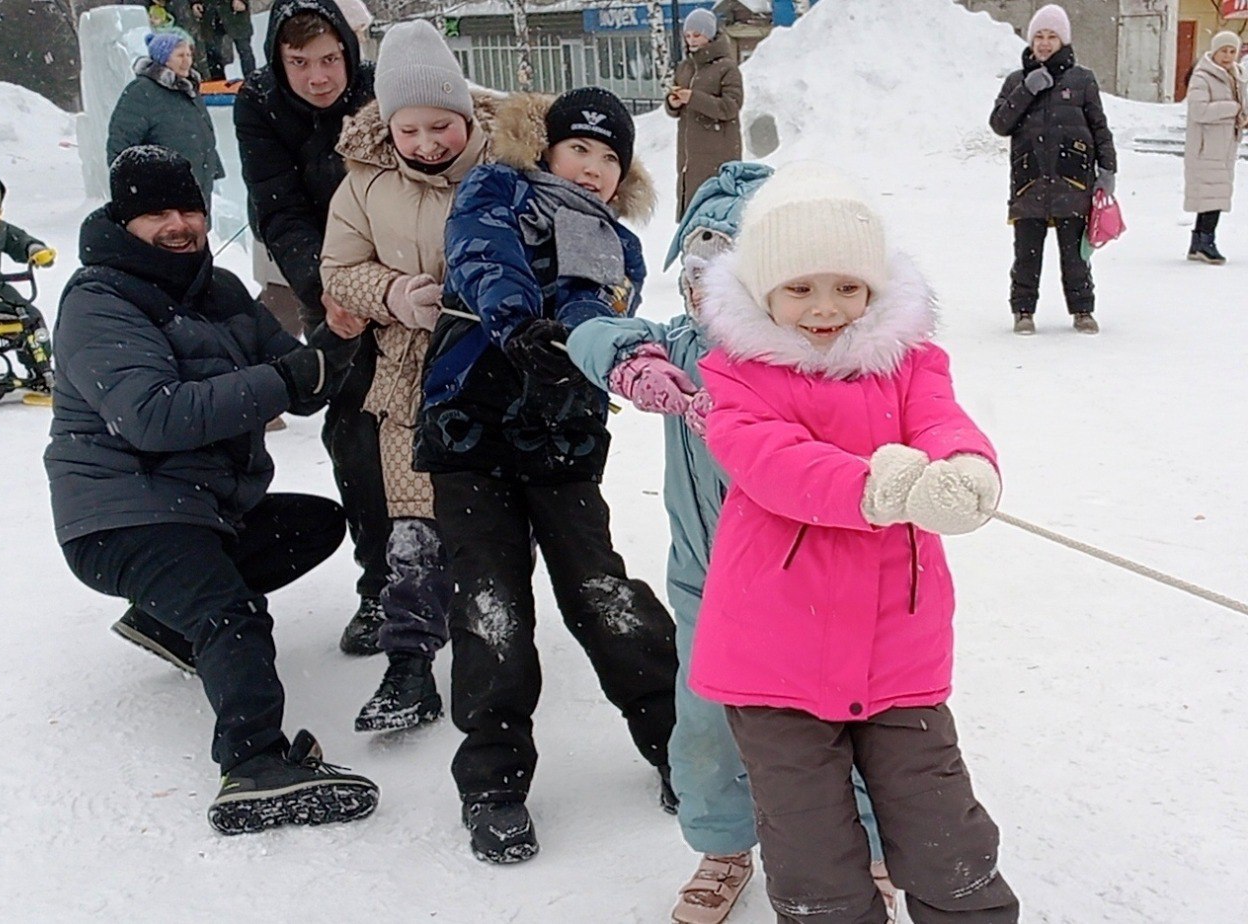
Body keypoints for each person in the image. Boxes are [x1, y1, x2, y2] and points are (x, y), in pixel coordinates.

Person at [690, 162, 1020, 922]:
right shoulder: (736, 374)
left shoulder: (910, 365)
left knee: (943, 831)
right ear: (765, 291)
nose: (825, 307)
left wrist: (964, 469)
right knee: (812, 849)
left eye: (846, 286)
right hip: (773, 656)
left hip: (897, 647)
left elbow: (942, 420)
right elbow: (768, 461)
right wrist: (870, 489)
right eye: (800, 287)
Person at [568, 163, 897, 924]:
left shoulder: (825, 362)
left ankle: (866, 850)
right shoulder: (681, 351)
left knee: (837, 728)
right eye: (695, 271)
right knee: (710, 729)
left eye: (728, 274)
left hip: (820, 594)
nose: (705, 293)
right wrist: (632, 360)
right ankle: (723, 848)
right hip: (711, 591)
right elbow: (587, 331)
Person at [44, 145, 378, 835]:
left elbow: (296, 375)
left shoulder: (217, 289)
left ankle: (167, 620)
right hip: (122, 514)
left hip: (197, 508)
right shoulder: (98, 301)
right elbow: (153, 414)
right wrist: (288, 380)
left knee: (312, 525)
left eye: (189, 209)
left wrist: (333, 341)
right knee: (234, 613)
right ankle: (254, 765)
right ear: (124, 220)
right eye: (158, 213)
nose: (179, 224)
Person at [415, 86, 679, 865]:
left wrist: (600, 350)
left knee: (602, 592)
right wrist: (514, 319)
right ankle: (493, 783)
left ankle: (675, 743)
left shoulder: (618, 243)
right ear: (548, 147)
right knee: (491, 603)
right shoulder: (502, 186)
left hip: (560, 441)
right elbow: (483, 253)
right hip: (470, 428)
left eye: (610, 157)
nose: (594, 168)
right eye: (580, 149)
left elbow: (592, 304)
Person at [320, 20, 494, 734]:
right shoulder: (362, 181)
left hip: (492, 373)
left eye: (441, 126)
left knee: (484, 524)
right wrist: (390, 293)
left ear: (465, 115)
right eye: (410, 129)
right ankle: (410, 666)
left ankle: (494, 656)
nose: (426, 144)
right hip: (409, 377)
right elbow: (338, 268)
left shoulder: (505, 167)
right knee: (412, 527)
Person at [235, 0, 390, 651]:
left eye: (329, 59)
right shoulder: (261, 106)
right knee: (356, 433)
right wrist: (327, 289)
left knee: (443, 426)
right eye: (299, 62)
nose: (318, 77)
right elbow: (280, 210)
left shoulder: (382, 88)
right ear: (279, 60)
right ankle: (382, 587)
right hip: (330, 288)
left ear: (348, 52)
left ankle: (467, 569)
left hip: (412, 273)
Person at [990, 3, 1115, 336]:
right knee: (1026, 256)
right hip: (1029, 181)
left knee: (1075, 257)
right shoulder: (1017, 80)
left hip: (1072, 181)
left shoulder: (1082, 80)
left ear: (1063, 41)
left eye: (1052, 37)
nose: (1044, 43)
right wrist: (1028, 90)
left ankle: (1082, 310)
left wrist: (1108, 170)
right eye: (1039, 36)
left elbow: (1099, 128)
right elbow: (1000, 124)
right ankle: (1023, 311)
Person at [106, 30, 225, 214]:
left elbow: (203, 133)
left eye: (188, 54)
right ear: (163, 59)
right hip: (161, 200)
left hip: (197, 191)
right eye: (179, 55)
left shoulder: (189, 89)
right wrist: (135, 190)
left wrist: (212, 169)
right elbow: (120, 144)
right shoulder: (142, 92)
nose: (187, 60)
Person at [0, 159, 56, 404]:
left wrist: (35, 250)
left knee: (30, 314)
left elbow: (19, 241)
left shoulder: (0, 228)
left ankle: (40, 368)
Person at [664, 8, 744, 221]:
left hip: (717, 158)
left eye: (697, 35)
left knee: (714, 216)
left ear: (710, 35)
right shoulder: (685, 68)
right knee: (691, 217)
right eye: (688, 35)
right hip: (688, 161)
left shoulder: (727, 68)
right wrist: (673, 103)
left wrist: (693, 98)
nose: (692, 40)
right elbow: (677, 106)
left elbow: (730, 106)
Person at [1183, 30, 1245, 264]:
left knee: (1213, 194)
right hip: (1206, 147)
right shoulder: (1203, 76)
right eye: (1224, 51)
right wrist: (1232, 109)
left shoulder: (1236, 75)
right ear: (1214, 51)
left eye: (1232, 51)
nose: (1228, 56)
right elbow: (1199, 110)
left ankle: (1199, 241)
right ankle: (1206, 241)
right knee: (1212, 195)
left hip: (1224, 146)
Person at [195, 0, 256, 79]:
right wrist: (195, 2)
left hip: (235, 12)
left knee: (244, 50)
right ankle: (218, 86)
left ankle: (252, 82)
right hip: (209, 11)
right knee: (212, 54)